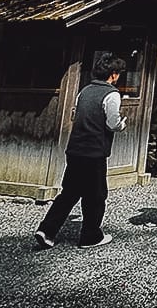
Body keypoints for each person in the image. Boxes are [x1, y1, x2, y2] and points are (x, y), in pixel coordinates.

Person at [34, 53, 127, 249]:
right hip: (95, 150)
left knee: (69, 192)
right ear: (114, 74)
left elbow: (77, 115)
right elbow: (112, 122)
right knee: (96, 195)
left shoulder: (84, 91)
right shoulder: (112, 94)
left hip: (75, 148)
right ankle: (90, 235)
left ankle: (47, 229)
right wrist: (122, 125)